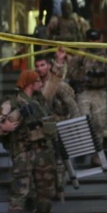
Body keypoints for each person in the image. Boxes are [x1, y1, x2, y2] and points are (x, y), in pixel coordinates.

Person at [0, 70, 56, 213]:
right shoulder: (11, 103)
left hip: (43, 153)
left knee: (44, 192)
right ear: (30, 83)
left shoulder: (41, 101)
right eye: (37, 81)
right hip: (23, 153)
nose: (40, 83)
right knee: (19, 192)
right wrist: (5, 127)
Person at [58, 28, 107, 166]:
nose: (93, 42)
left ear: (101, 39)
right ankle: (82, 149)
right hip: (84, 91)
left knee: (99, 124)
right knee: (83, 121)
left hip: (101, 93)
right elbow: (70, 73)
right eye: (90, 39)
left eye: (95, 39)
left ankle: (96, 155)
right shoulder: (80, 55)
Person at [34, 53, 80, 201]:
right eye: (37, 66)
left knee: (60, 163)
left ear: (48, 66)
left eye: (42, 65)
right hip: (41, 130)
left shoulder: (59, 85)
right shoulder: (34, 85)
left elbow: (73, 108)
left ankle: (60, 191)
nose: (39, 69)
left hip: (59, 128)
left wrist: (72, 128)